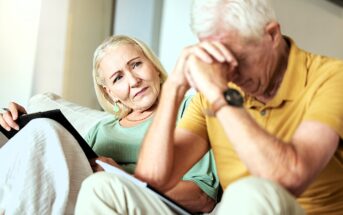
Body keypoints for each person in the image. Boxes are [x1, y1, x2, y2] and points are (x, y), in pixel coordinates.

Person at [92, 0, 341, 215]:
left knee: (250, 190)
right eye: (216, 55)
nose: (227, 70)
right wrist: (174, 88)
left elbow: (288, 179)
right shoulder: (206, 97)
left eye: (237, 56)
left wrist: (221, 95)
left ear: (272, 35)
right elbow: (152, 178)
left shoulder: (333, 78)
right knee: (104, 189)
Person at [0, 35, 219, 214]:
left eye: (136, 64)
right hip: (84, 205)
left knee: (44, 130)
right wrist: (22, 129)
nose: (134, 81)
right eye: (118, 78)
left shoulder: (190, 109)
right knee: (40, 132)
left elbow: (202, 198)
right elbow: (57, 173)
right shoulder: (102, 131)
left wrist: (125, 179)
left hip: (152, 206)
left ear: (152, 65)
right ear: (110, 93)